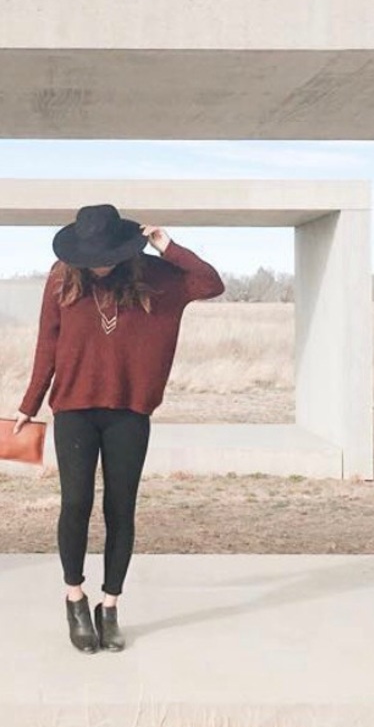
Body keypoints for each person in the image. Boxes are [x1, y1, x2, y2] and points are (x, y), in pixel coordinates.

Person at [14, 203, 224, 653]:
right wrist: (29, 404)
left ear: (125, 247)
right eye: (89, 257)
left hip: (130, 410)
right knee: (75, 503)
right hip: (73, 409)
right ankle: (75, 598)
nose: (98, 266)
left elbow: (210, 283)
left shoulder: (157, 277)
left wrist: (167, 245)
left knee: (120, 508)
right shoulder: (62, 277)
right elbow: (46, 343)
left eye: (105, 255)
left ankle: (110, 606)